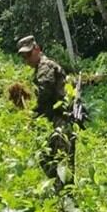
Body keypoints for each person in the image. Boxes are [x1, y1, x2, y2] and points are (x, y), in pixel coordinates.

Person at [17, 35, 74, 189]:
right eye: (23, 56)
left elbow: (44, 93)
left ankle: (66, 198)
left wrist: (32, 114)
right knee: (48, 158)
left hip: (60, 120)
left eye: (28, 54)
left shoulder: (45, 66)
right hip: (53, 119)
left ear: (37, 49)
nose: (26, 59)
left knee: (62, 163)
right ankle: (60, 193)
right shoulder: (39, 68)